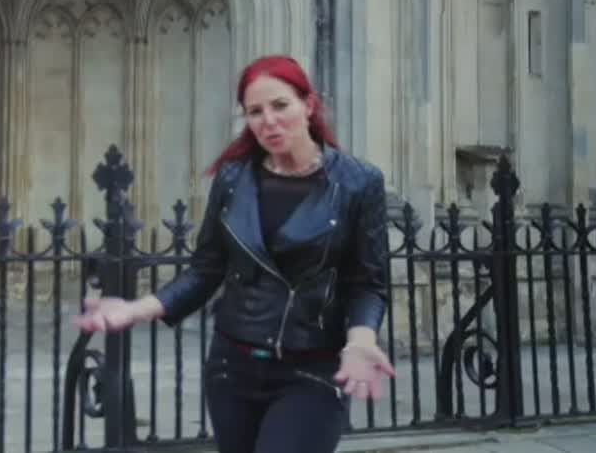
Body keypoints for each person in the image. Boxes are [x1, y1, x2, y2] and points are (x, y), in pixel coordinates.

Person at [73, 55, 394, 453]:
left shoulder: (358, 182)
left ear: (308, 105)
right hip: (232, 367)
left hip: (310, 369)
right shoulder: (233, 179)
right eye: (255, 112)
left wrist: (361, 338)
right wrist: (136, 310)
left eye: (280, 105)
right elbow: (206, 270)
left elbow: (367, 283)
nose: (268, 121)